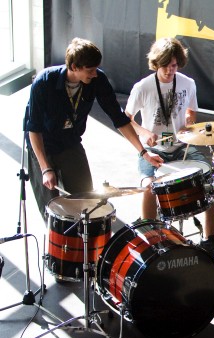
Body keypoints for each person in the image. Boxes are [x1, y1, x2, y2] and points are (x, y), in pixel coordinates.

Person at [25, 37, 163, 222]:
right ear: (74, 67)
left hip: (70, 141)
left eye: (96, 69)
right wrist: (45, 169)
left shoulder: (98, 79)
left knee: (86, 201)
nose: (95, 74)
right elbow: (34, 129)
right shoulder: (44, 82)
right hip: (43, 144)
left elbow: (118, 118)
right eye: (90, 70)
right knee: (53, 212)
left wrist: (144, 153)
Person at [125, 37, 214, 256]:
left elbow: (191, 110)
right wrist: (144, 132)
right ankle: (150, 238)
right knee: (149, 187)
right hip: (153, 150)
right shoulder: (143, 87)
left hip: (181, 147)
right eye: (165, 65)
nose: (170, 70)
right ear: (156, 63)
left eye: (174, 66)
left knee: (213, 182)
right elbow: (126, 119)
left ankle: (209, 238)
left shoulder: (188, 83)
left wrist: (188, 123)